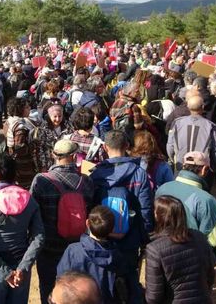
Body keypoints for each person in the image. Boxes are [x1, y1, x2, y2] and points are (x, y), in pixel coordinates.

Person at [90, 130, 153, 304]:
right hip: (130, 238)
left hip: (101, 237)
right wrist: (145, 236)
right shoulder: (139, 173)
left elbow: (90, 206)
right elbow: (145, 209)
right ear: (127, 146)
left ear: (104, 147)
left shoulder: (95, 174)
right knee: (130, 278)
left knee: (104, 279)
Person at [0, 152, 45, 304]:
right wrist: (23, 267)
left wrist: (4, 272)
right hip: (21, 267)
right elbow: (38, 237)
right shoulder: (29, 199)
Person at [30, 139, 90, 304]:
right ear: (73, 156)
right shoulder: (85, 181)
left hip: (48, 247)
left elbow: (33, 213)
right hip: (78, 247)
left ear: (53, 155)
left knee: (48, 289)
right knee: (75, 294)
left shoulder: (41, 180)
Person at [145, 195, 215, 304]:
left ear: (159, 216)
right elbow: (210, 275)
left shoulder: (154, 250)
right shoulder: (200, 236)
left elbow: (153, 297)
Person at [57, 205, 124, 304]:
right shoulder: (117, 256)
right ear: (112, 229)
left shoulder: (73, 251)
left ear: (87, 223)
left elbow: (61, 279)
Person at [166, 93, 216, 189]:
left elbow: (170, 146)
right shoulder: (210, 126)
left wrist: (174, 160)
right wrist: (213, 167)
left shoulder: (177, 123)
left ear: (188, 106)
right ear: (203, 107)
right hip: (201, 170)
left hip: (181, 167)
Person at [5, 97, 37, 189]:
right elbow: (20, 149)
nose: (29, 108)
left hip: (13, 160)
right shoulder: (20, 127)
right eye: (27, 107)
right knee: (24, 187)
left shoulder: (9, 121)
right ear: (20, 109)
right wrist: (34, 144)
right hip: (22, 164)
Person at [32, 101, 71, 173]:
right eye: (55, 116)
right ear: (49, 116)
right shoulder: (42, 129)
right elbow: (39, 149)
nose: (58, 119)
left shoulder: (68, 127)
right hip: (48, 164)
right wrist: (43, 166)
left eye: (60, 116)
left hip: (64, 163)